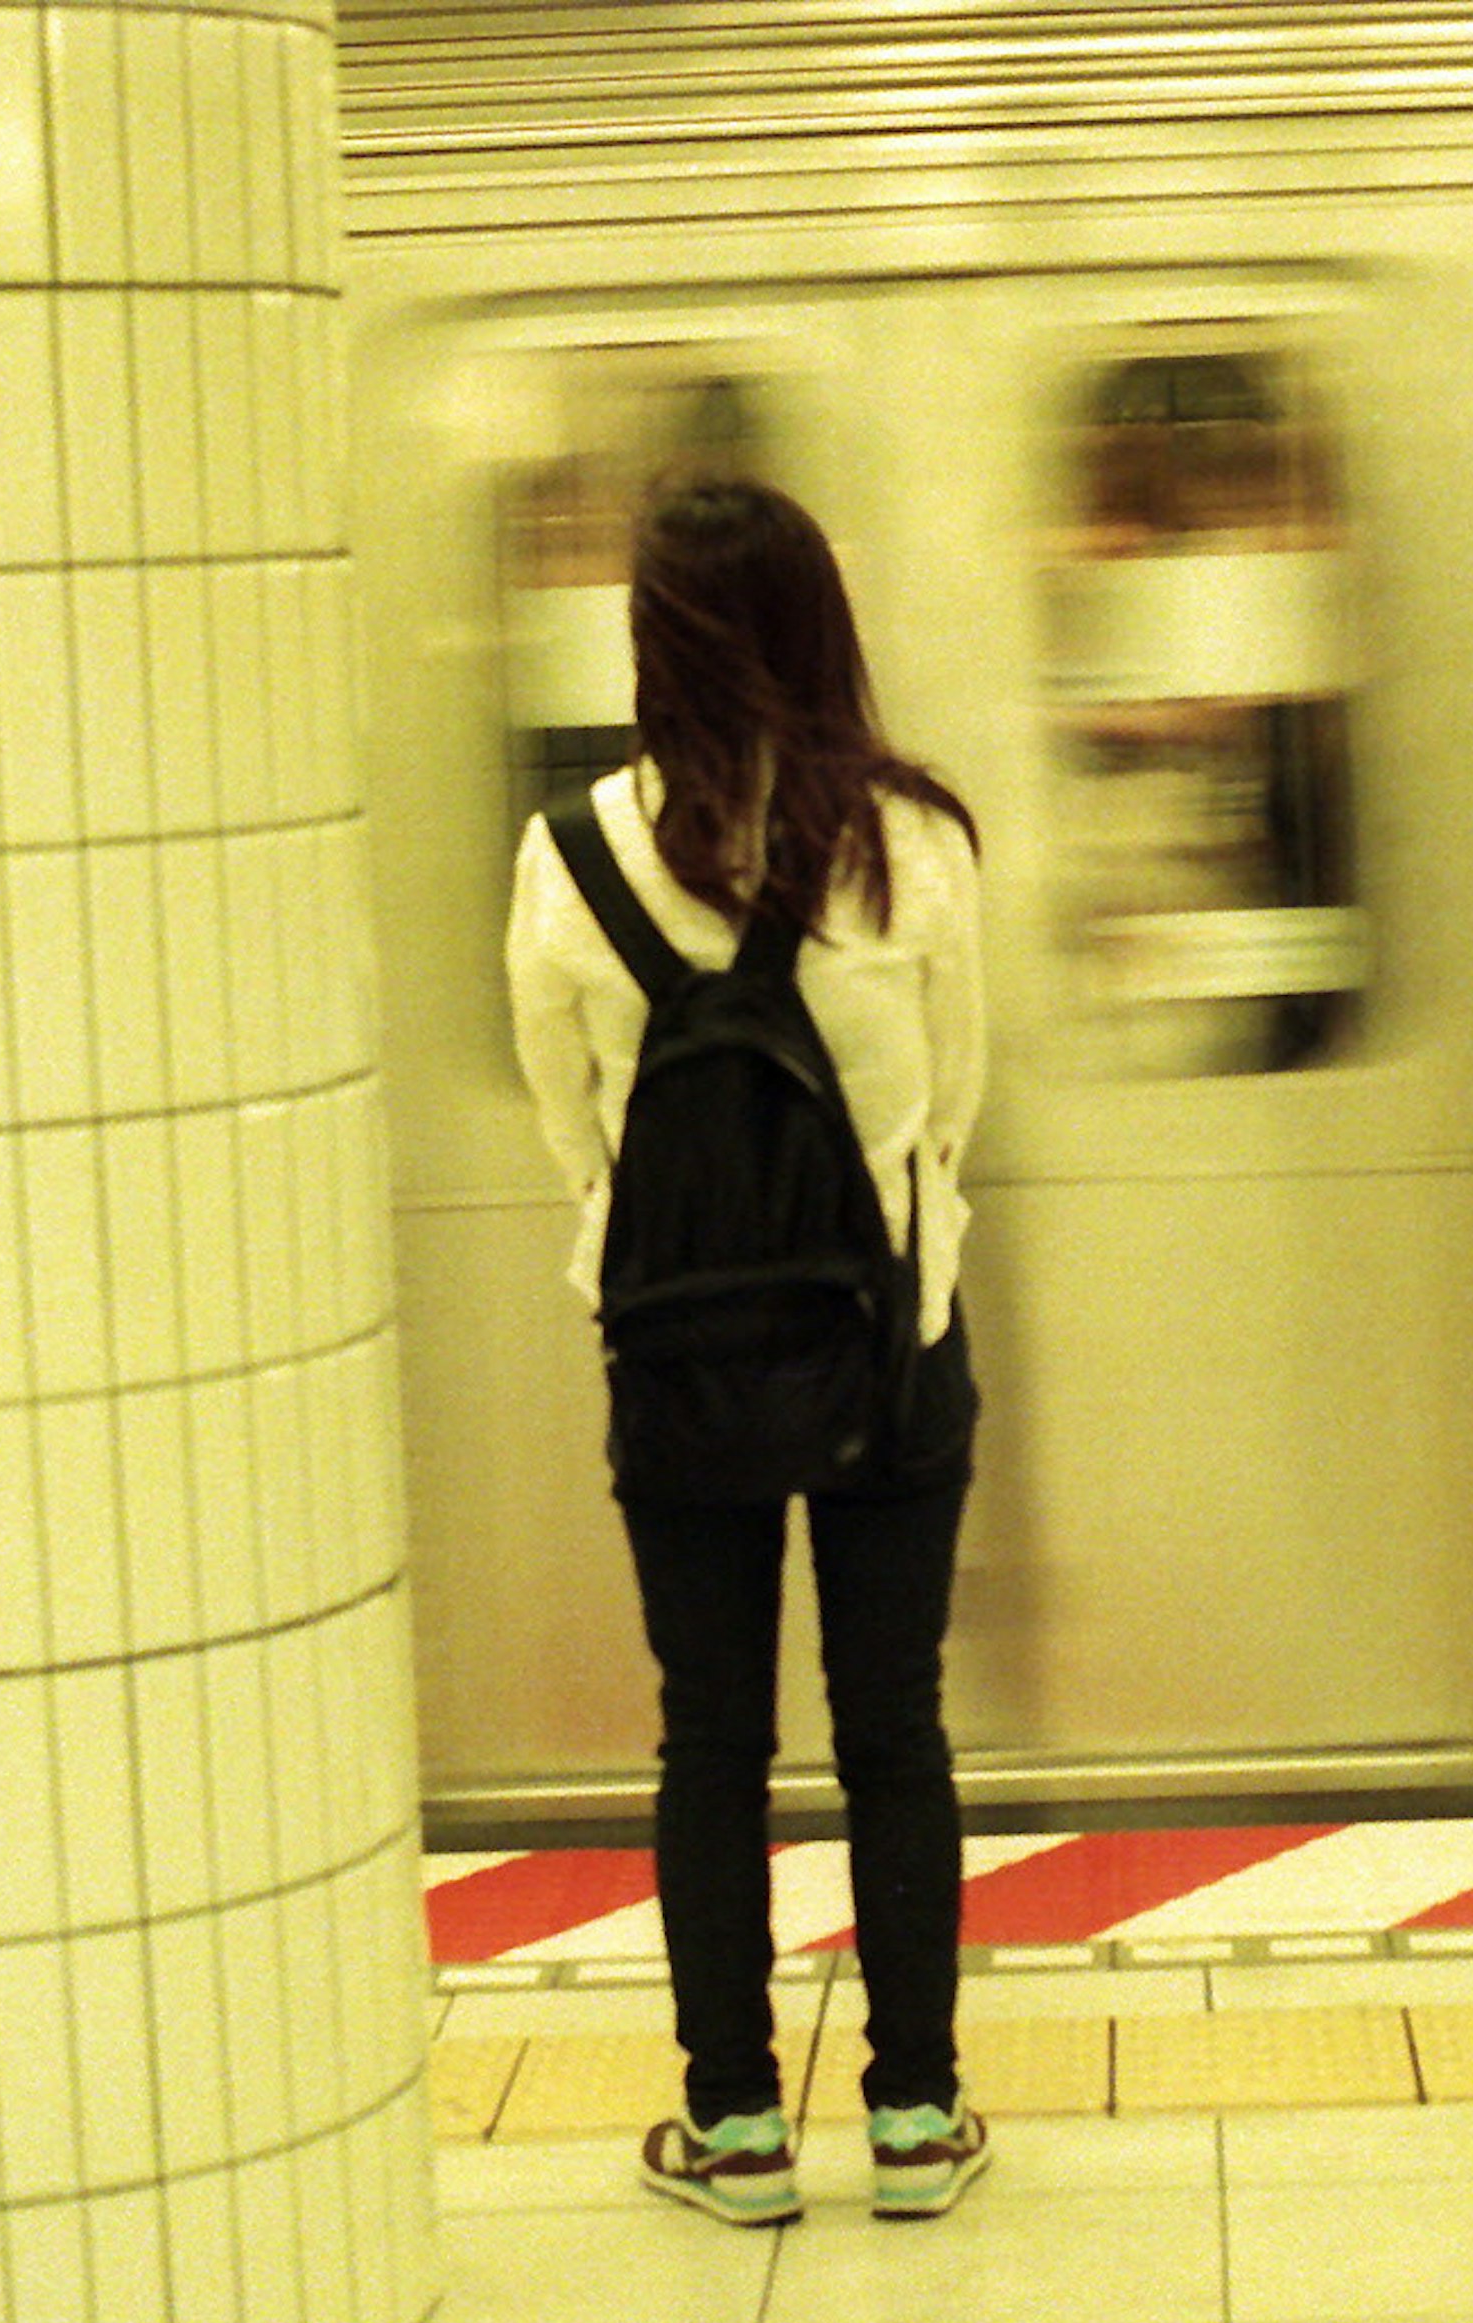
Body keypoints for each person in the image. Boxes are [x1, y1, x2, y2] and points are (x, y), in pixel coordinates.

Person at [504, 474, 993, 2226]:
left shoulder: (566, 866)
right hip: (887, 1343)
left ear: (651, 645)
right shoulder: (913, 844)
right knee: (894, 1731)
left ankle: (733, 2129)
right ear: (821, 626)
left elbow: (574, 1128)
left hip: (680, 1354)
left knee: (708, 1739)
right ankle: (918, 2120)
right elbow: (954, 1101)